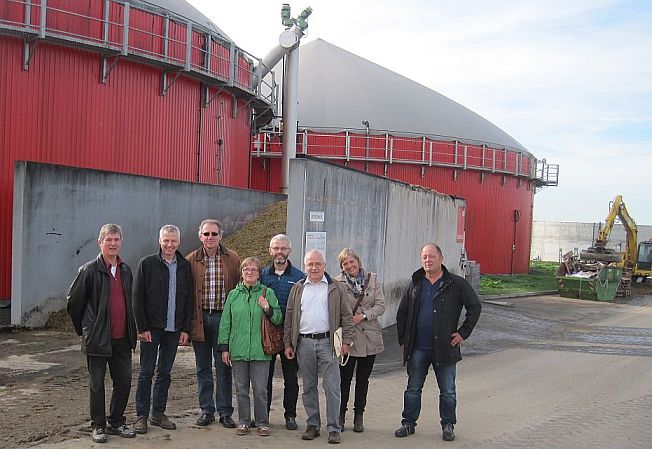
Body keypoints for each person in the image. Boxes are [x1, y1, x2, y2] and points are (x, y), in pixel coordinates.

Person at [394, 243, 482, 442]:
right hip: (418, 347)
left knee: (448, 390)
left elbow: (475, 307)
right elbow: (402, 314)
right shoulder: (415, 283)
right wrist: (403, 341)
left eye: (431, 256)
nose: (428, 260)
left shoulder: (456, 284)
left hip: (445, 347)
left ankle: (448, 425)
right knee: (413, 388)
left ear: (441, 259)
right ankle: (408, 423)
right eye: (424, 257)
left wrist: (463, 333)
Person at [67, 224, 138, 443]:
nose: (113, 243)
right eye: (109, 240)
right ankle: (98, 426)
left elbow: (129, 303)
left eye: (116, 239)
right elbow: (73, 303)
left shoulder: (126, 270)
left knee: (124, 382)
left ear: (121, 242)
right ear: (100, 242)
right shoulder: (89, 270)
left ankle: (116, 421)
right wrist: (86, 330)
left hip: (122, 339)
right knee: (97, 385)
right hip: (98, 339)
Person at [283, 249, 354, 444]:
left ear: (324, 265)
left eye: (318, 264)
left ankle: (333, 428)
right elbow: (289, 316)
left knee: (332, 387)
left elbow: (346, 316)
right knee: (308, 387)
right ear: (305, 266)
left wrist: (346, 342)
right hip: (304, 343)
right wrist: (288, 343)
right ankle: (313, 424)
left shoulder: (335, 288)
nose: (314, 267)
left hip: (329, 343)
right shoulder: (298, 288)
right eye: (310, 264)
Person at [132, 225, 194, 434]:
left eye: (173, 241)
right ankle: (141, 416)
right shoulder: (147, 264)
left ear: (179, 242)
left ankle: (158, 413)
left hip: (174, 329)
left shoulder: (185, 266)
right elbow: (137, 297)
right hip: (151, 329)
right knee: (146, 372)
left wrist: (185, 329)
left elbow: (188, 299)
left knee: (165, 373)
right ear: (160, 241)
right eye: (166, 240)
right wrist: (142, 327)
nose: (169, 245)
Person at [218, 257, 282, 437]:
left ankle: (262, 422)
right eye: (246, 269)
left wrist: (267, 308)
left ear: (259, 273)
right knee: (241, 389)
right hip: (238, 350)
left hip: (260, 350)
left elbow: (278, 318)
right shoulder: (233, 295)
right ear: (241, 272)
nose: (249, 272)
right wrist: (224, 347)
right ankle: (244, 421)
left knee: (260, 389)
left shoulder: (266, 292)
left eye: (253, 269)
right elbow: (225, 323)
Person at [186, 219, 240, 428]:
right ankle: (206, 410)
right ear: (200, 236)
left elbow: (239, 289)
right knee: (203, 368)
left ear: (221, 236)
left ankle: (225, 411)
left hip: (223, 320)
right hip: (200, 319)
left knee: (224, 367)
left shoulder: (232, 258)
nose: (210, 237)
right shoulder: (191, 259)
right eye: (206, 234)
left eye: (214, 234)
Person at [334, 248, 385, 433]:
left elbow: (380, 305)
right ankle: (340, 415)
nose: (349, 266)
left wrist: (363, 315)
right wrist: (349, 321)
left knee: (363, 380)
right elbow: (335, 309)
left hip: (370, 336)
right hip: (349, 337)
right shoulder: (337, 283)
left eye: (351, 262)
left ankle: (359, 415)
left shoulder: (372, 279)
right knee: (344, 379)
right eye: (345, 263)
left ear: (358, 261)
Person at [260, 234, 305, 430]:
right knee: (264, 379)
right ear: (270, 251)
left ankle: (290, 415)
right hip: (267, 335)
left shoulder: (299, 277)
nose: (279, 252)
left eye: (283, 248)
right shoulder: (262, 275)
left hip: (290, 336)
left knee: (291, 378)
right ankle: (264, 416)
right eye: (276, 248)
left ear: (289, 251)